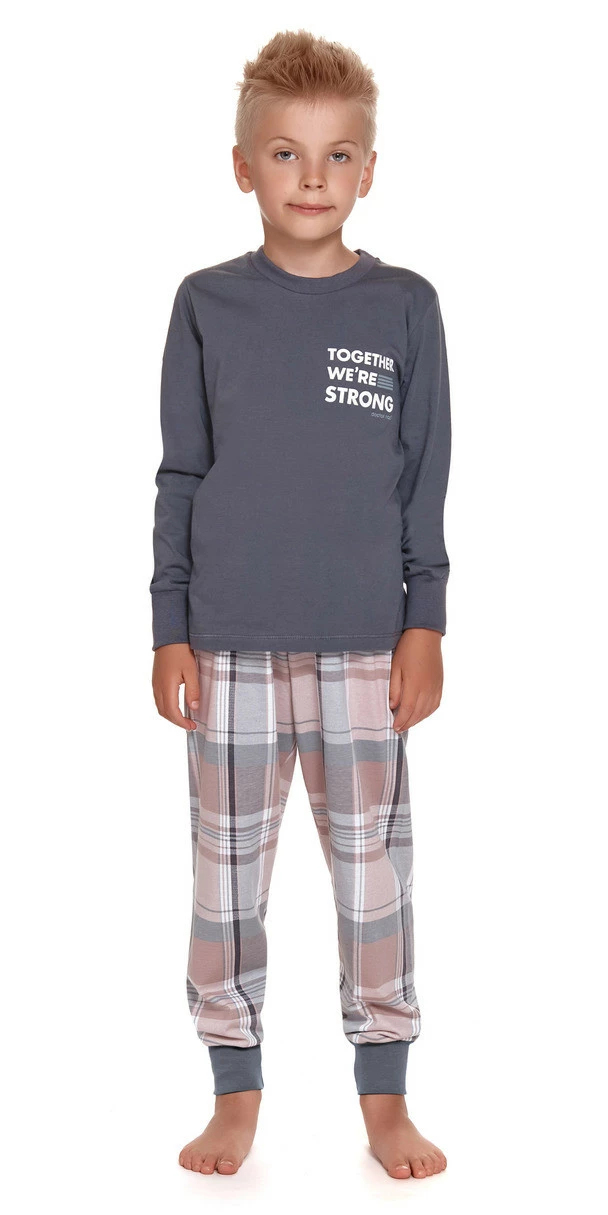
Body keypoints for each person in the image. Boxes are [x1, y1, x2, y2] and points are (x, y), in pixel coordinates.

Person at [150, 29, 451, 1182]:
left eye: (334, 156)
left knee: (373, 880)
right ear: (243, 167)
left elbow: (422, 480)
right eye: (284, 153)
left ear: (367, 170)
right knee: (225, 882)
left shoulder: (404, 308)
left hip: (364, 648)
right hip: (227, 647)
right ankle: (234, 1090)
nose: (310, 178)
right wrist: (169, 628)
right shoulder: (205, 305)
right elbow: (181, 475)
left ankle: (384, 1096)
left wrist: (423, 621)